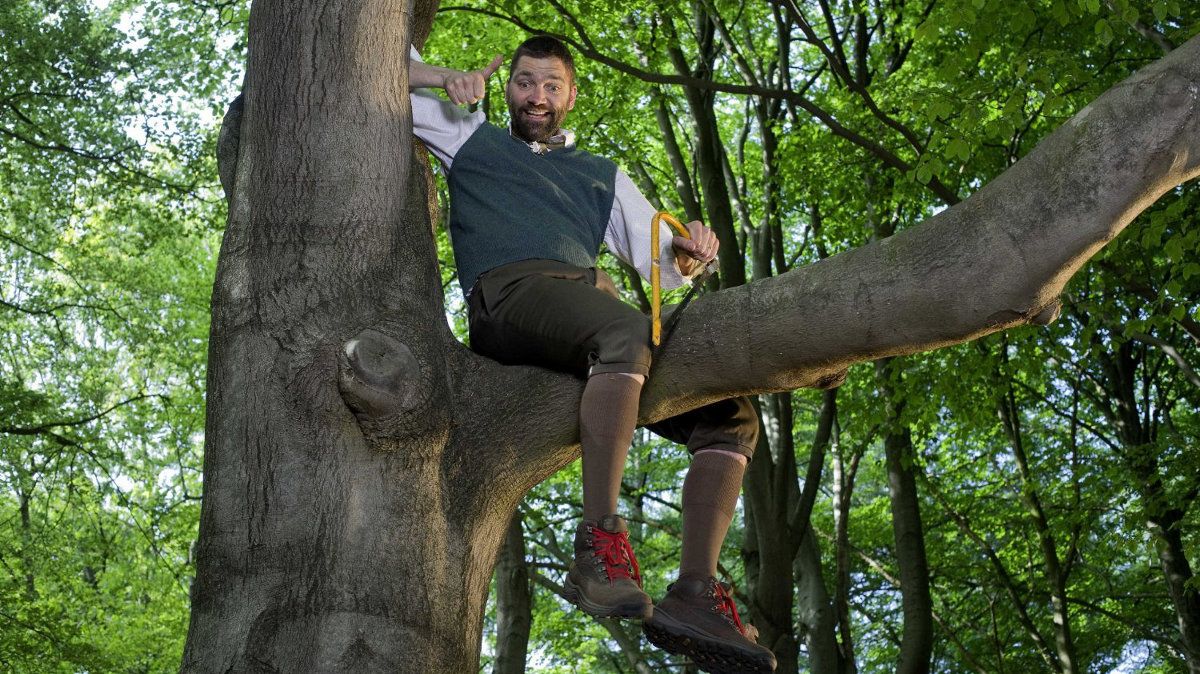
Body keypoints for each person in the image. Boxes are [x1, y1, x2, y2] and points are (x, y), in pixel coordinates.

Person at [408, 35, 777, 673]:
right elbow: (378, 65)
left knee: (733, 416)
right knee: (624, 332)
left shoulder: (602, 176)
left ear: (571, 96)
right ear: (509, 87)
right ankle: (599, 542)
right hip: (510, 297)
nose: (538, 97)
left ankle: (696, 592)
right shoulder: (471, 134)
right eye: (525, 82)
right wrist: (446, 76)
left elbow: (662, 265)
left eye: (552, 86)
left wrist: (693, 253)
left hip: (584, 317)